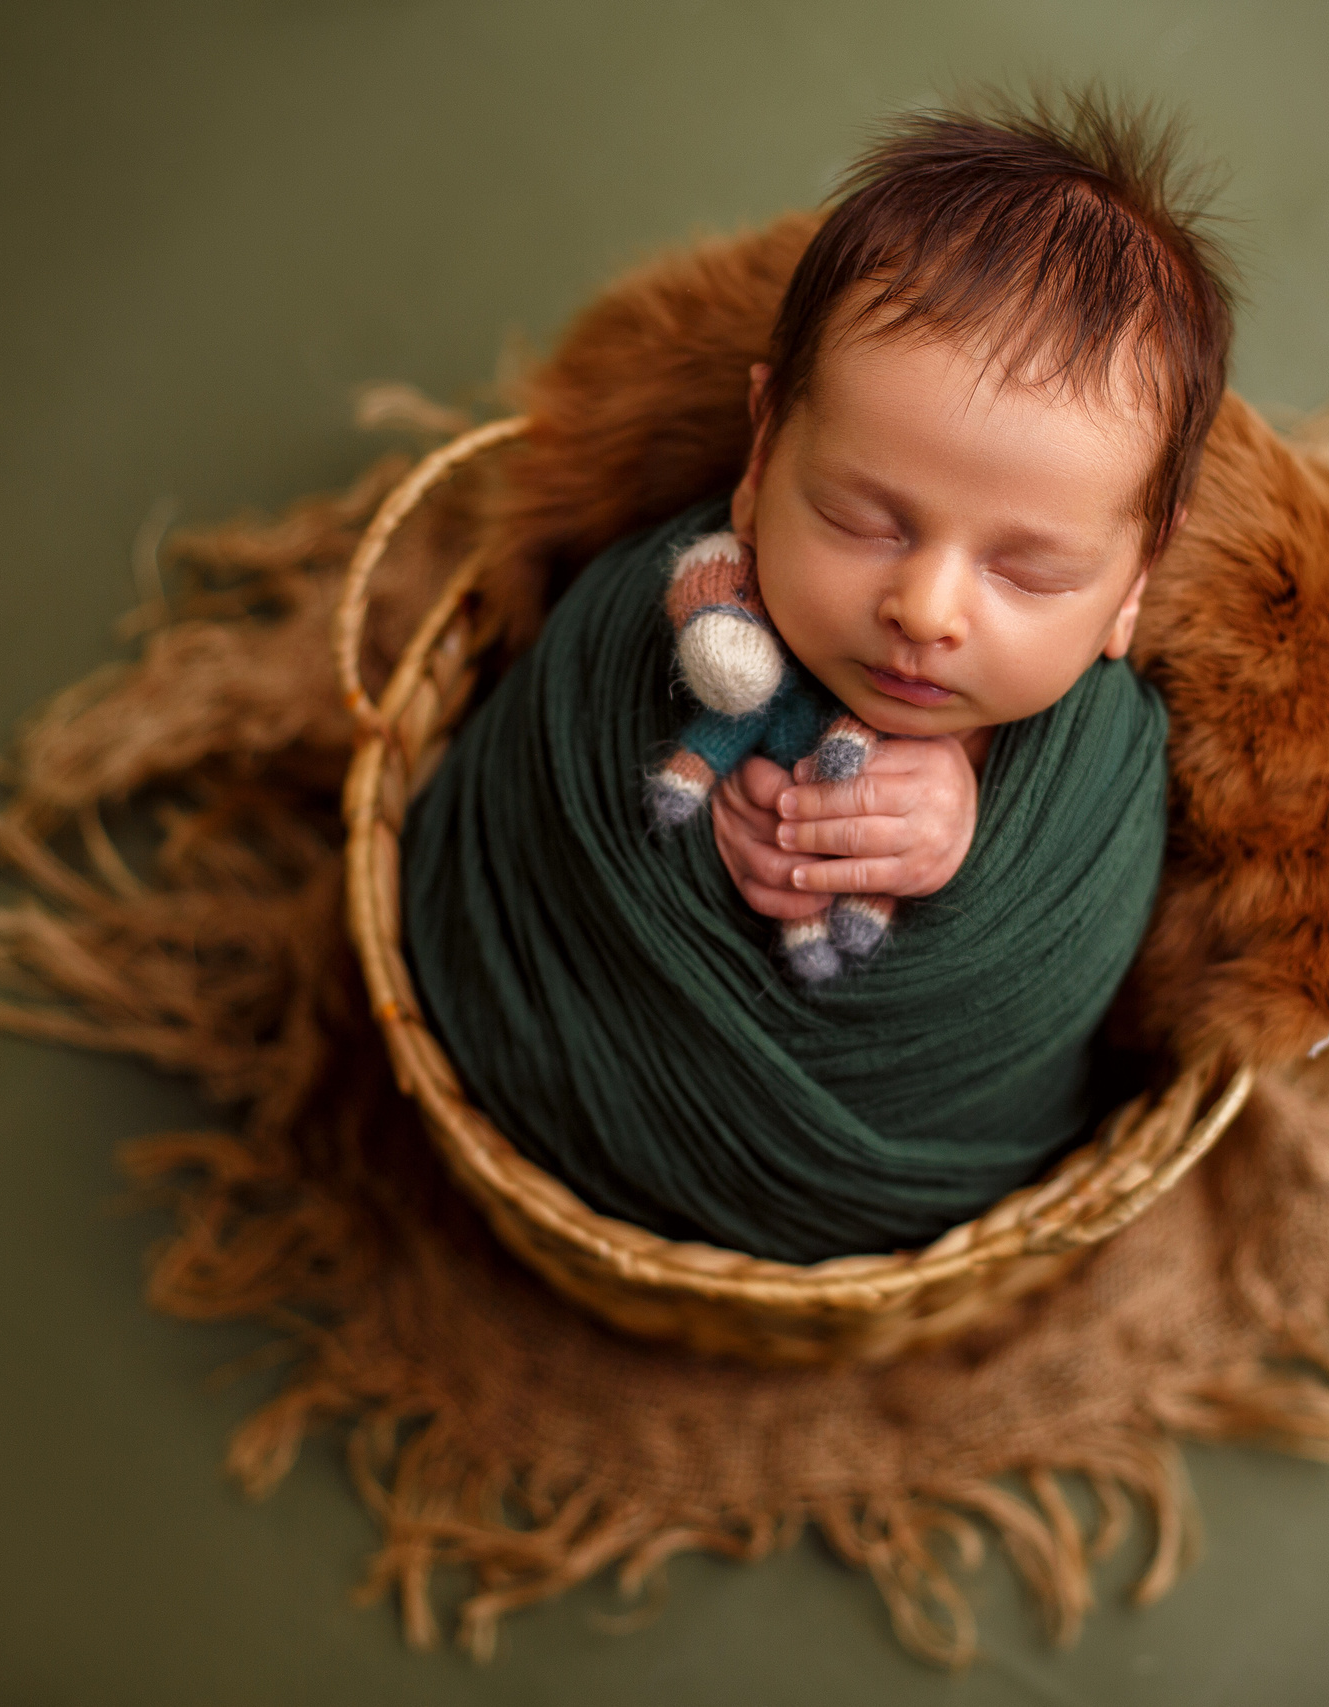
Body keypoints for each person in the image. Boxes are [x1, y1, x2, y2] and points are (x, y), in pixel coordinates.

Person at [402, 92, 1237, 1262]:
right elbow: (556, 780)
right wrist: (696, 847)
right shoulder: (673, 603)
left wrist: (962, 826)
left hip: (878, 1183)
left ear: (1136, 577)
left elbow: (1083, 952)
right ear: (760, 454)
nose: (927, 611)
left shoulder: (1097, 762)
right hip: (541, 1048)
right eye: (860, 517)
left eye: (1030, 571)